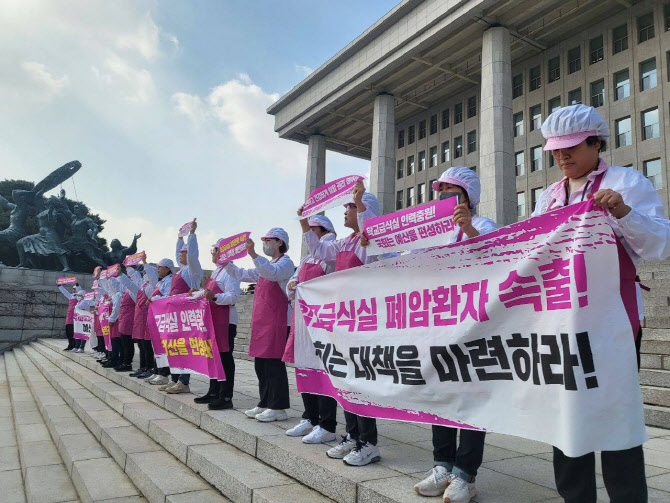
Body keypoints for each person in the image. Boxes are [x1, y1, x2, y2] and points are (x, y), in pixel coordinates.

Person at [532, 104, 670, 503]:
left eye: (572, 148)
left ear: (597, 142)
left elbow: (659, 244)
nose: (563, 157)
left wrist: (622, 211)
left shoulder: (626, 182)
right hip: (560, 321)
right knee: (567, 416)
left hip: (613, 319)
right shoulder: (550, 196)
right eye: (556, 151)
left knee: (615, 414)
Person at [409, 167, 497, 503]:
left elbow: (497, 259)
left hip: (474, 325)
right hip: (439, 324)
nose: (442, 195)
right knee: (441, 396)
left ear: (466, 197)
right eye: (440, 190)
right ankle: (442, 465)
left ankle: (465, 475)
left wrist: (469, 230)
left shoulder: (484, 225)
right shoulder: (431, 234)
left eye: (450, 190)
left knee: (473, 399)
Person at [299, 181, 385, 467]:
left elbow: (370, 237)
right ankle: (353, 435)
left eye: (350, 207)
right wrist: (303, 223)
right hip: (343, 320)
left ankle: (369, 442)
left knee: (360, 382)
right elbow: (321, 252)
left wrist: (361, 206)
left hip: (363, 321)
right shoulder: (346, 242)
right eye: (348, 206)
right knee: (345, 381)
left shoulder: (370, 240)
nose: (345, 212)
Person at [223, 228, 295, 422]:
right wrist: (226, 262)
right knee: (261, 365)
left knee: (273, 365)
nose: (265, 243)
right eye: (263, 240)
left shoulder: (285, 263)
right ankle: (265, 402)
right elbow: (241, 273)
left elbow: (271, 273)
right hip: (262, 323)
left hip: (278, 321)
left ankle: (278, 407)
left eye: (268, 240)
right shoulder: (265, 265)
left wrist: (254, 254)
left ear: (279, 242)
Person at [284, 214, 339, 444]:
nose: (308, 236)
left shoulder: (331, 252)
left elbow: (332, 282)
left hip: (322, 322)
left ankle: (327, 424)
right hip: (303, 320)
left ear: (323, 231)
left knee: (323, 371)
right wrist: (292, 286)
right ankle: (310, 417)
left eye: (311, 230)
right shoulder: (307, 259)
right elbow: (292, 284)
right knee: (305, 368)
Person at [192, 239, 241, 410]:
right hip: (212, 320)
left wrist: (214, 297)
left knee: (225, 358)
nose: (212, 253)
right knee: (213, 357)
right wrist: (197, 293)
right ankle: (213, 391)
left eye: (214, 250)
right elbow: (208, 293)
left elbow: (234, 296)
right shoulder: (216, 272)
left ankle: (226, 396)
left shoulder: (230, 271)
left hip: (225, 321)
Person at [156, 223, 204, 394]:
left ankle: (184, 382)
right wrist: (179, 237)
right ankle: (174, 379)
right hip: (174, 315)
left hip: (185, 316)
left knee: (183, 350)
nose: (181, 255)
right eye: (180, 252)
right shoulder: (180, 271)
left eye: (184, 252)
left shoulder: (193, 270)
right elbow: (180, 253)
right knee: (173, 349)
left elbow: (193, 255)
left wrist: (191, 235)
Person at [125, 258, 159, 379]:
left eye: (146, 271)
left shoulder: (152, 285)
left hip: (147, 318)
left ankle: (149, 368)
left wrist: (145, 263)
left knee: (147, 345)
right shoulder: (143, 285)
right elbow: (134, 278)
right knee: (140, 344)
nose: (144, 272)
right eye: (144, 271)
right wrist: (128, 268)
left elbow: (151, 276)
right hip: (139, 319)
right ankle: (142, 367)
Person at [146, 258, 176, 386]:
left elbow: (168, 297)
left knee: (163, 346)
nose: (158, 269)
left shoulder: (170, 281)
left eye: (160, 267)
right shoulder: (160, 282)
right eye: (157, 266)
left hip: (164, 317)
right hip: (157, 317)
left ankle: (164, 374)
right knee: (157, 345)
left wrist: (154, 298)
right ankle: (157, 371)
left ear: (168, 268)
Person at [114, 265, 137, 372]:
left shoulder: (134, 291)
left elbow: (129, 284)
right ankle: (123, 361)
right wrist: (107, 278)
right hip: (123, 319)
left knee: (128, 343)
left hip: (129, 319)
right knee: (123, 341)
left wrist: (121, 274)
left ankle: (127, 363)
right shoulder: (126, 291)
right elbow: (116, 286)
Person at [102, 277, 124, 368]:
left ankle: (115, 359)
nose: (111, 286)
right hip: (113, 320)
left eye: (112, 285)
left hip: (116, 320)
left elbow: (116, 309)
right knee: (113, 340)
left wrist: (111, 319)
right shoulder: (114, 295)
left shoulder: (118, 295)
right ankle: (112, 358)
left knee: (116, 340)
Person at [58, 282, 83, 351]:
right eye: (73, 289)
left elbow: (82, 295)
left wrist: (78, 287)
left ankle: (74, 345)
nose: (73, 290)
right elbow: (65, 292)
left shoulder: (79, 297)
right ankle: (70, 345)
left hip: (75, 317)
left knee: (73, 332)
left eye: (74, 289)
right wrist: (60, 286)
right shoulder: (71, 296)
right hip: (69, 317)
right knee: (68, 332)